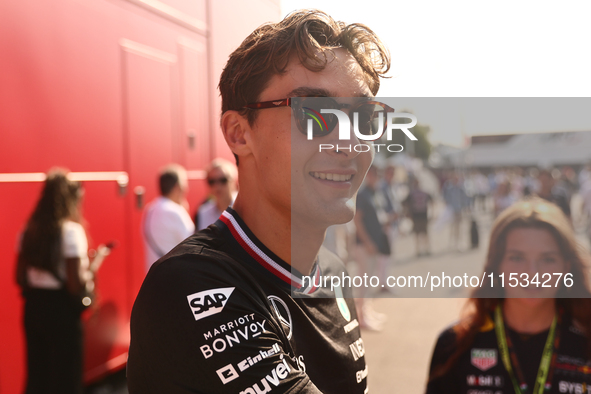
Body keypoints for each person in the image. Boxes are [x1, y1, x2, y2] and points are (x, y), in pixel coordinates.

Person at [127, 9, 389, 393]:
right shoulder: (190, 285)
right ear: (239, 133)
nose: (350, 143)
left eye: (364, 118)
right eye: (316, 114)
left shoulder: (330, 272)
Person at [426, 197, 591, 394]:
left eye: (547, 259)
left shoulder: (585, 340)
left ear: (566, 267)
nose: (532, 273)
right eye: (517, 258)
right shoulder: (455, 344)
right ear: (496, 265)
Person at [15, 169, 91, 394]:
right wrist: (90, 275)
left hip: (33, 307)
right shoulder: (70, 232)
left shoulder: (29, 230)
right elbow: (74, 284)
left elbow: (19, 277)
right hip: (62, 311)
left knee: (38, 374)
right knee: (66, 377)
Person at [142, 164, 195, 270]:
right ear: (177, 187)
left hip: (154, 273)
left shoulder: (150, 209)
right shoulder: (176, 211)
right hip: (174, 274)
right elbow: (193, 245)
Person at [194, 158, 238, 231]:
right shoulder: (203, 213)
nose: (217, 186)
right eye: (212, 181)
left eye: (223, 180)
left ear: (233, 181)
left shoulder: (245, 208)